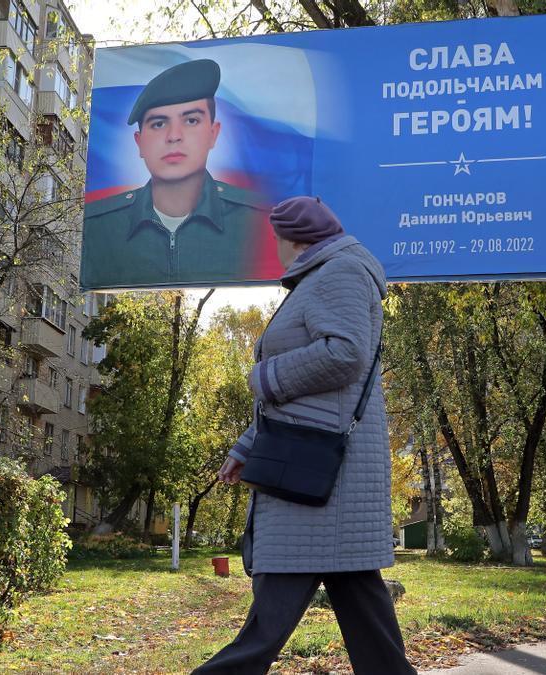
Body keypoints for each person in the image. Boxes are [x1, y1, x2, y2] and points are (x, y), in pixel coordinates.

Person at [194, 197, 415, 674]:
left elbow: (345, 354)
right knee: (369, 624)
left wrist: (262, 375)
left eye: (277, 239)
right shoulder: (326, 276)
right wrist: (245, 447)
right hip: (323, 474)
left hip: (320, 482)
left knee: (266, 625)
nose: (275, 248)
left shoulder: (340, 273)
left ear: (294, 238)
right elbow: (303, 400)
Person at [81, 58, 271, 289]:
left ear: (213, 134)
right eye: (159, 124)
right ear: (139, 143)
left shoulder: (260, 220)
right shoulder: (98, 226)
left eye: (191, 120)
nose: (174, 136)